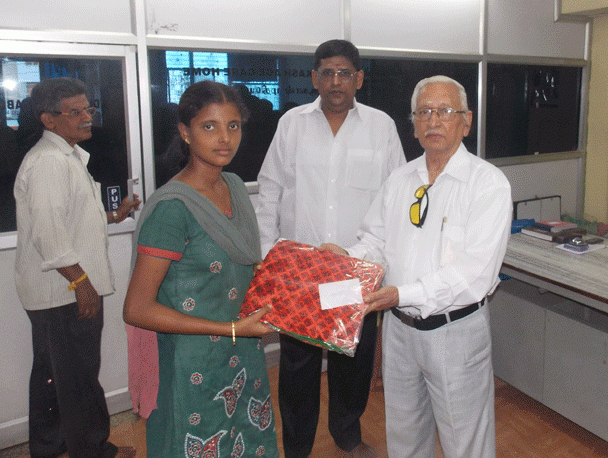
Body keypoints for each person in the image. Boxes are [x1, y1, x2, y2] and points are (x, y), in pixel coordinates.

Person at [324, 76, 512, 458]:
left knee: (466, 444)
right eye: (424, 112)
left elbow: (474, 274)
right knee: (405, 438)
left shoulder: (488, 184)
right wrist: (347, 259)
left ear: (466, 121)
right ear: (413, 124)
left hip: (456, 333)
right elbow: (376, 242)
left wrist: (400, 294)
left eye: (445, 111)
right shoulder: (399, 180)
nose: (433, 120)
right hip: (399, 331)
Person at [255, 39, 405, 458]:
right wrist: (269, 256)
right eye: (327, 73)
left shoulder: (381, 126)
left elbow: (394, 197)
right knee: (297, 365)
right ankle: (297, 447)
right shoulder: (292, 124)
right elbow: (270, 190)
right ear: (314, 78)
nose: (336, 81)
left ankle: (347, 435)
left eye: (344, 73)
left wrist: (372, 259)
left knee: (352, 361)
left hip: (357, 267)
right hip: (300, 270)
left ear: (359, 78)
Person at [123, 81, 278, 458]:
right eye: (210, 126)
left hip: (243, 351)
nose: (225, 138)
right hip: (192, 362)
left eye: (233, 125)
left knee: (246, 439)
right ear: (185, 132)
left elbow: (245, 264)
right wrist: (231, 329)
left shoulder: (236, 187)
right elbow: (137, 309)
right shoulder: (172, 209)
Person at [14, 77, 140, 458]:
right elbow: (49, 233)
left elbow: (69, 218)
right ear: (48, 119)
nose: (87, 117)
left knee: (52, 377)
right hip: (64, 293)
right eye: (76, 111)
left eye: (89, 108)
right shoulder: (49, 162)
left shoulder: (65, 157)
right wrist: (81, 282)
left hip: (58, 292)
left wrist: (114, 216)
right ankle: (92, 451)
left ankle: (50, 447)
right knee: (77, 379)